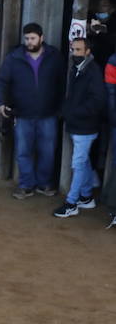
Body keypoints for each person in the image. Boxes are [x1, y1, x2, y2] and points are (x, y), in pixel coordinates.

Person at [0, 23, 65, 198]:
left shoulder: (54, 56)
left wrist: (61, 108)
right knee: (23, 151)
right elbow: (2, 81)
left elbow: (63, 84)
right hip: (22, 113)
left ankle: (44, 184)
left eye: (33, 38)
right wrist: (1, 103)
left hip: (48, 113)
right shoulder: (14, 57)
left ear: (41, 38)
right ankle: (26, 185)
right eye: (26, 38)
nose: (29, 42)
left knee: (47, 152)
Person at [53, 35, 105, 218]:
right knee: (83, 161)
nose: (74, 53)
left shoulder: (92, 71)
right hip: (79, 124)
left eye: (78, 50)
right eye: (73, 50)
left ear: (87, 51)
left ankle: (71, 202)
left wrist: (73, 113)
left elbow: (98, 101)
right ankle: (86, 196)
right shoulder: (78, 68)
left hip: (85, 125)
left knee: (78, 163)